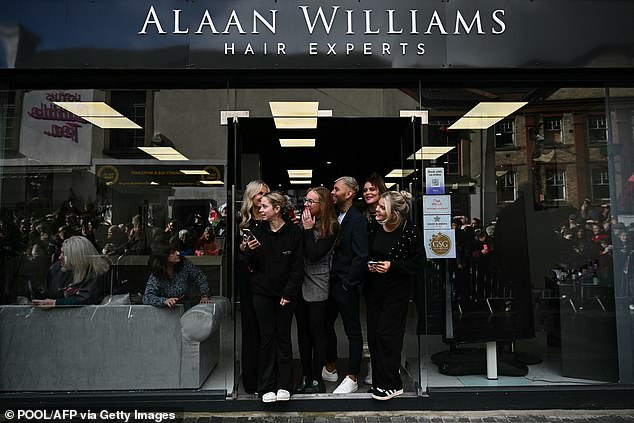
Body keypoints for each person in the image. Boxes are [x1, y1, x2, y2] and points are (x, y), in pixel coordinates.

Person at [244, 192, 304, 403]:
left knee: (283, 337)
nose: (260, 210)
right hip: (262, 293)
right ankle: (266, 387)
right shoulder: (257, 231)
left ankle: (284, 385)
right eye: (260, 207)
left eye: (264, 207)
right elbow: (252, 265)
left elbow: (297, 268)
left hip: (285, 294)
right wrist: (249, 252)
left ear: (277, 209)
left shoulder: (294, 233)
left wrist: (289, 293)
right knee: (267, 338)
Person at [366, 190, 424, 400]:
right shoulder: (375, 227)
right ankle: (380, 381)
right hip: (374, 289)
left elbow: (418, 263)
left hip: (396, 291)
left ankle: (393, 383)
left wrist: (392, 266)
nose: (377, 210)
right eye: (378, 207)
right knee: (373, 336)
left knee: (387, 336)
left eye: (382, 207)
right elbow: (369, 253)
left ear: (395, 213)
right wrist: (370, 266)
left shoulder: (410, 231)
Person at [324, 176, 369, 394]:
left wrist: (348, 283)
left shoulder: (358, 219)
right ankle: (330, 365)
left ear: (349, 193)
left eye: (336, 189)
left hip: (345, 284)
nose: (332, 192)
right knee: (324, 324)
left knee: (352, 330)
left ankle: (352, 375)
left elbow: (361, 256)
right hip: (330, 283)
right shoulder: (336, 216)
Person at [294, 187, 339, 394]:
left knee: (316, 331)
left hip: (318, 284)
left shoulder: (331, 227)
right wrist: (300, 228)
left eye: (311, 202)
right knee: (302, 332)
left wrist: (306, 229)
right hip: (299, 283)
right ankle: (305, 375)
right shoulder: (302, 223)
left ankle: (316, 377)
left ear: (323, 205)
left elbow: (313, 254)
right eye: (306, 200)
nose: (307, 204)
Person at [237, 180, 270, 394]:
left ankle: (268, 378)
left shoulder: (272, 220)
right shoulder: (241, 224)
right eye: (260, 194)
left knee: (267, 330)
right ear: (251, 197)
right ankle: (252, 379)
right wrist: (242, 249)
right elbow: (236, 256)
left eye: (266, 194)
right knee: (250, 329)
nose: (263, 197)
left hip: (267, 281)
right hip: (248, 281)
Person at [359, 172, 387, 386]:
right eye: (366, 190)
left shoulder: (390, 215)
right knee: (372, 323)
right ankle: (373, 364)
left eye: (372, 189)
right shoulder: (361, 215)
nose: (368, 193)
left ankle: (387, 364)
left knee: (388, 325)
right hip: (368, 277)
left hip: (388, 275)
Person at [33, 236, 110, 308]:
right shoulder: (56, 269)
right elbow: (47, 292)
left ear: (76, 256)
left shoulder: (95, 273)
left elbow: (87, 298)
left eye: (64, 254)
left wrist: (56, 303)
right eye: (61, 253)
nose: (60, 257)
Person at [142, 243, 211, 309]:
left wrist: (204, 295)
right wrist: (164, 301)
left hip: (187, 306)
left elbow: (200, 277)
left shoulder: (184, 264)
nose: (178, 253)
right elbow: (147, 297)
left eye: (177, 250)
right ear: (164, 256)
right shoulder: (157, 274)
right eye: (172, 252)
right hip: (166, 311)